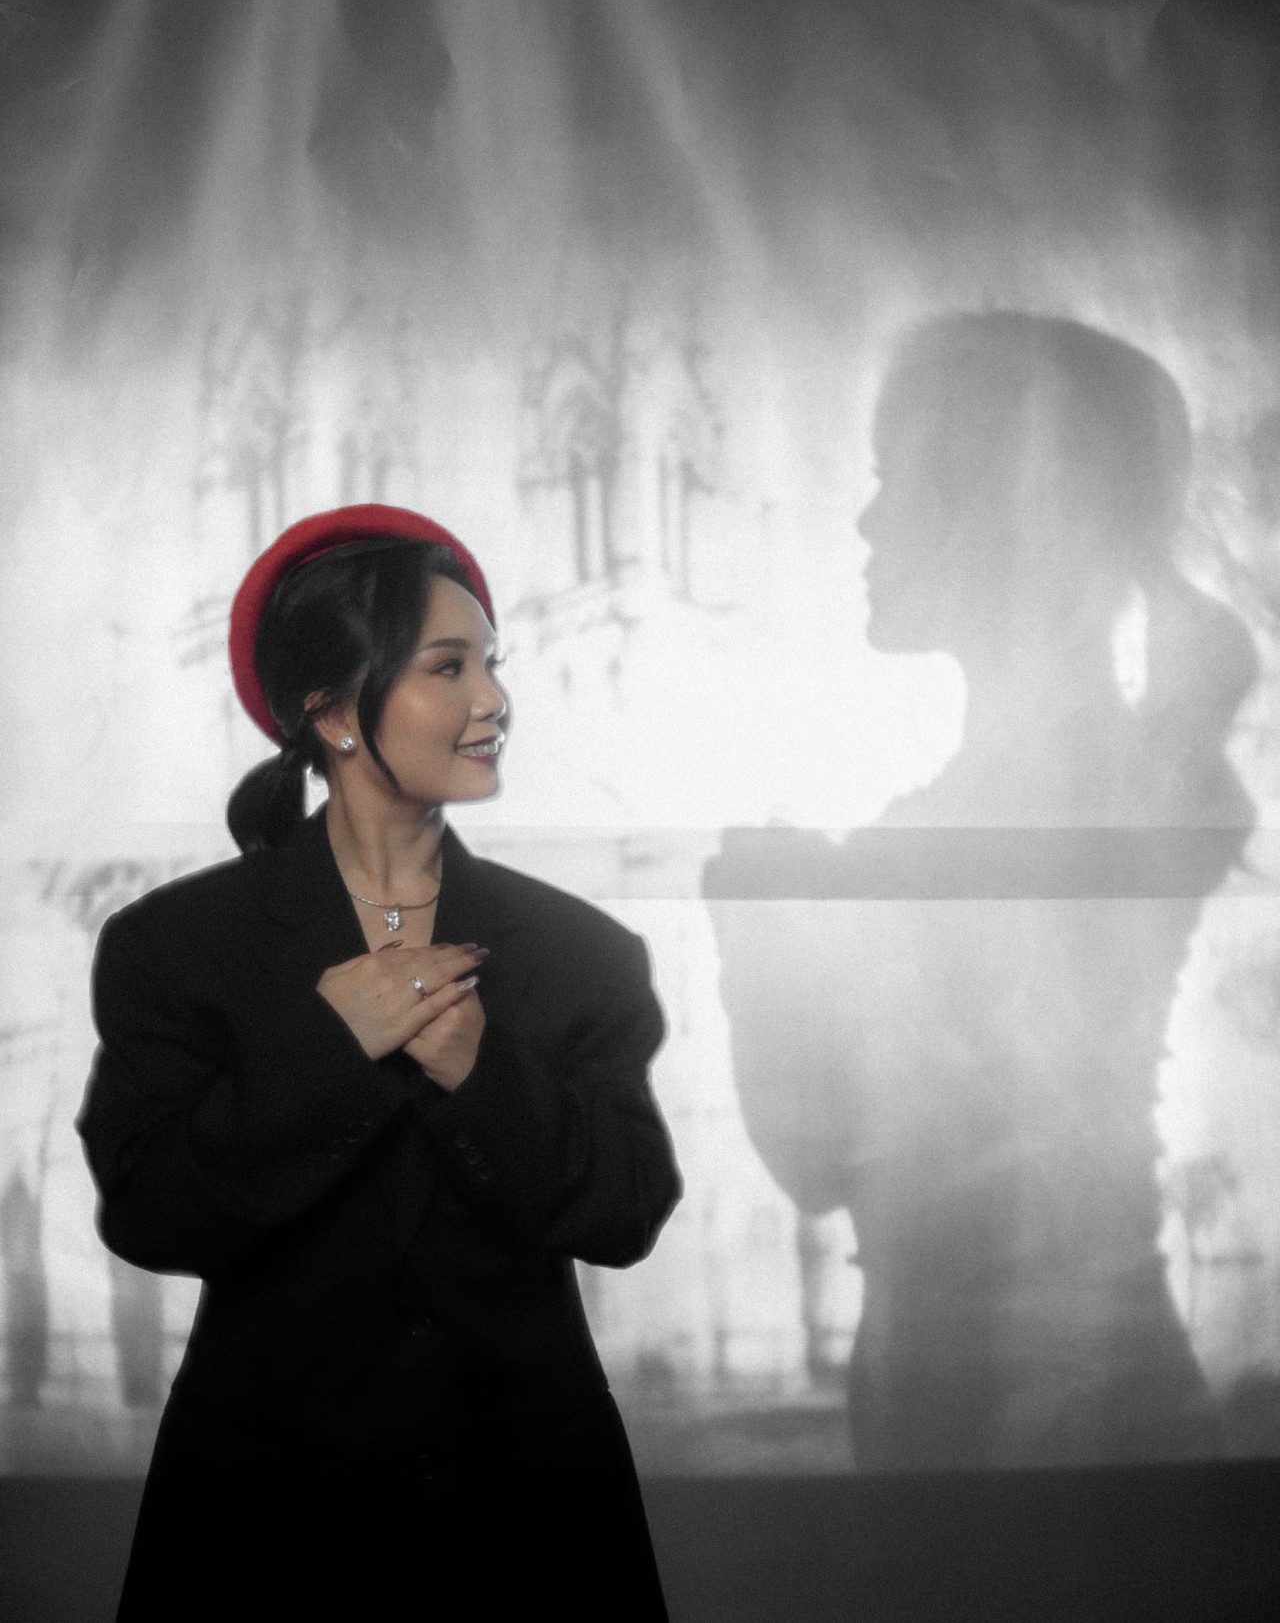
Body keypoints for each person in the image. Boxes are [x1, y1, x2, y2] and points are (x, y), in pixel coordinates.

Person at [78, 503, 680, 1618]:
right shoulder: (174, 945)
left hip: (533, 1528)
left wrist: (480, 1069)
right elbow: (151, 1214)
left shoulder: (582, 951)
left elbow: (626, 1210)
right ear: (331, 710)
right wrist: (327, 1049)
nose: (493, 700)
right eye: (448, 667)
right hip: (262, 1529)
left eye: (492, 664)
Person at [706, 313, 1256, 1470]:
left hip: (1070, 1449)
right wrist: (762, 938)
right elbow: (825, 1164)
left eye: (898, 478)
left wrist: (773, 931)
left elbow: (838, 1157)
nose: (866, 521)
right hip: (962, 1436)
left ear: (1016, 508)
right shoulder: (951, 822)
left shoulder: (1110, 790)